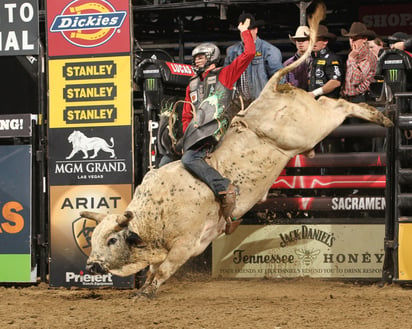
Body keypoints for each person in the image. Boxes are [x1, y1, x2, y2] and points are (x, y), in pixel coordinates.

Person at [180, 17, 255, 234]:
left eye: (201, 57)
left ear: (212, 57)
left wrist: (244, 33)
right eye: (195, 58)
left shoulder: (225, 74)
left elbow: (249, 54)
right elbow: (186, 115)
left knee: (189, 159)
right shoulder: (191, 85)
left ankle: (224, 186)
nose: (197, 61)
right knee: (169, 160)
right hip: (198, 134)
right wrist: (187, 136)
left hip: (218, 130)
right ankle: (225, 216)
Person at [224, 13, 283, 103]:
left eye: (248, 30)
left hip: (260, 103)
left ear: (255, 30)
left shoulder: (268, 50)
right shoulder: (232, 52)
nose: (245, 34)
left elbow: (279, 78)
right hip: (237, 104)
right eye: (242, 31)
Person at [340, 22, 377, 103]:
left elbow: (355, 81)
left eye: (355, 38)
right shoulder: (353, 53)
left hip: (360, 99)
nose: (352, 41)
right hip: (348, 98)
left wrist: (351, 60)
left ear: (364, 39)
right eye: (350, 38)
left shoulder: (367, 56)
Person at [308, 25, 343, 99]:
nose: (314, 43)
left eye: (317, 40)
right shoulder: (313, 58)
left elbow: (335, 82)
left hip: (328, 102)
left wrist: (315, 93)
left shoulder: (332, 58)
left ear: (325, 42)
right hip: (315, 101)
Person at [284, 25, 311, 90]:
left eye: (304, 40)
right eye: (298, 40)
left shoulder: (316, 61)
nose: (300, 43)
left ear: (310, 41)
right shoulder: (287, 64)